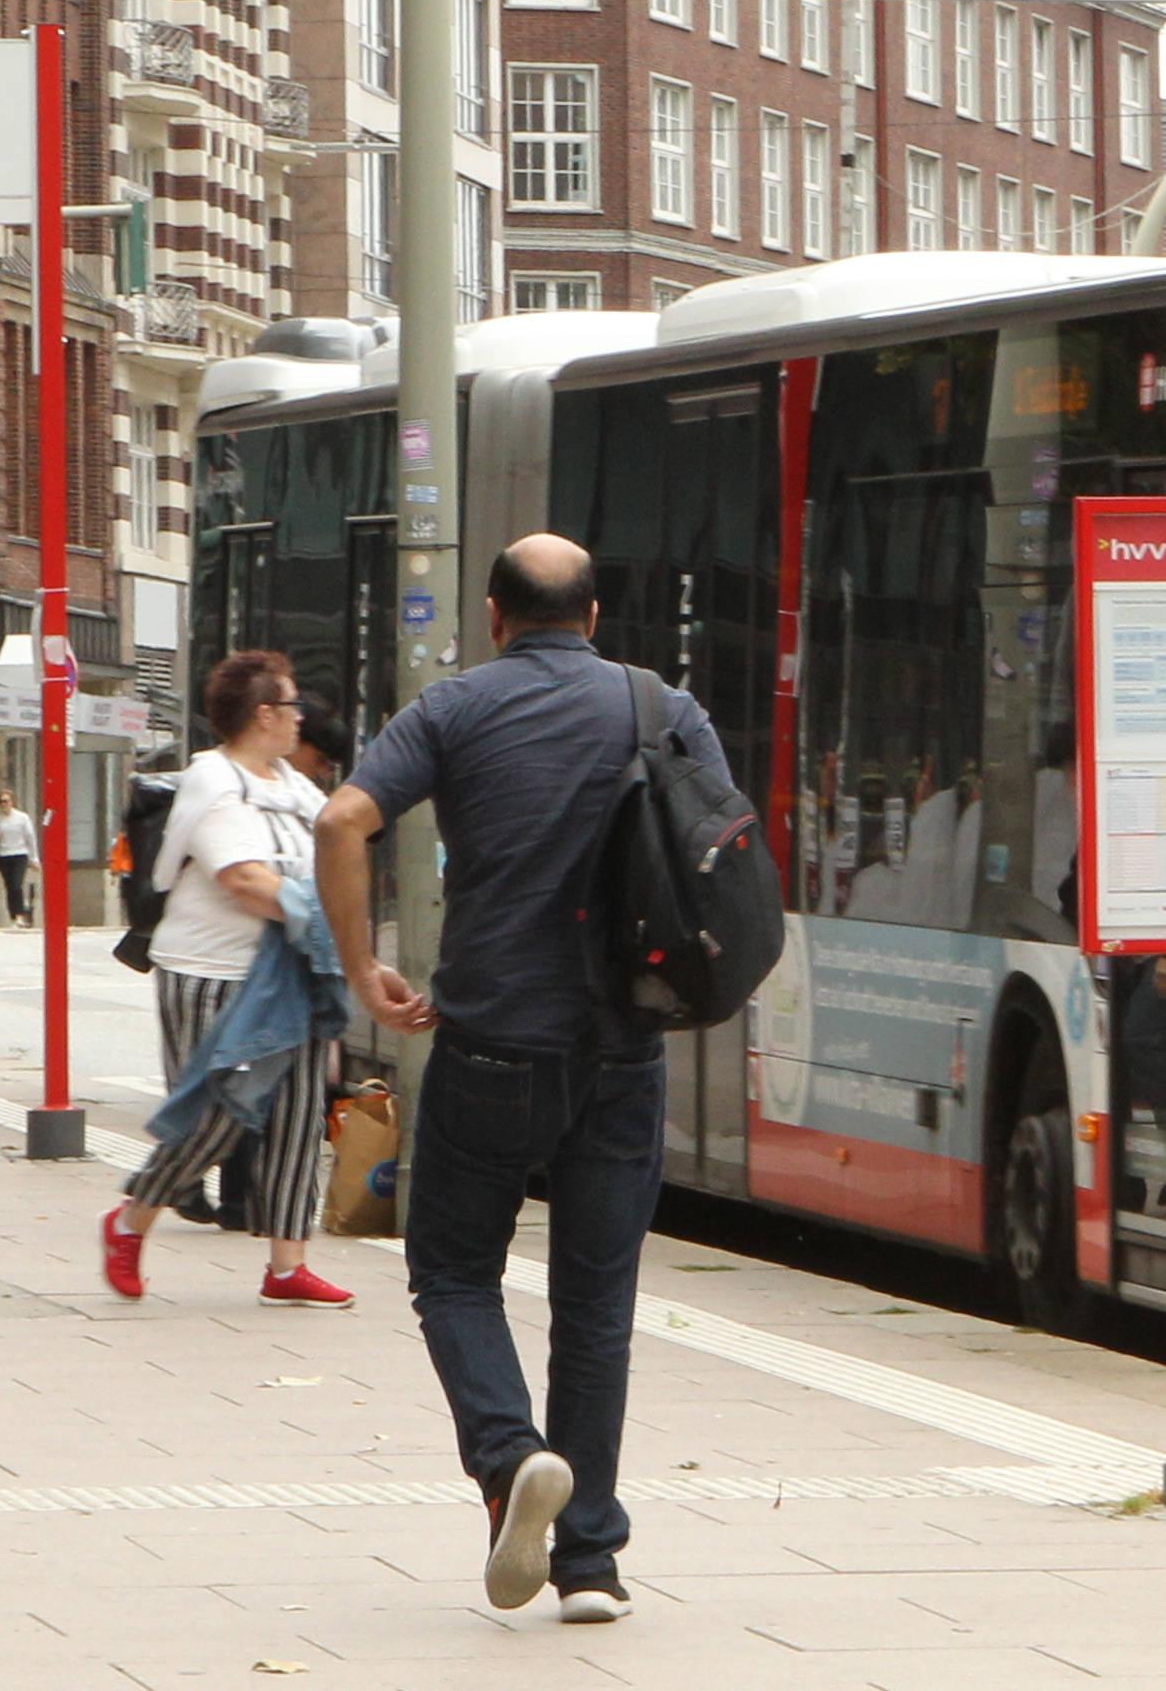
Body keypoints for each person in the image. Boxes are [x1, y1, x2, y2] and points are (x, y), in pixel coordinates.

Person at [316, 535, 734, 1625]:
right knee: (596, 1303)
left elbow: (340, 817)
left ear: (495, 614)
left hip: (491, 1038)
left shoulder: (455, 708)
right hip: (623, 1046)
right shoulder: (662, 706)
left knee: (451, 1268)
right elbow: (721, 840)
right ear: (593, 617)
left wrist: (365, 966)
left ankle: (508, 1461)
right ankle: (590, 1561)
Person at [97, 652, 350, 1305]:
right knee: (220, 1117)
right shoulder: (213, 783)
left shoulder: (295, 785)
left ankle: (287, 1263)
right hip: (212, 972)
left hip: (284, 969)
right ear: (264, 713)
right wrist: (324, 918)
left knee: (299, 1113)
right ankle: (130, 1221)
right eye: (291, 706)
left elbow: (332, 854)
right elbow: (241, 877)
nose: (300, 719)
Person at [0, 791, 38, 922]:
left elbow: (30, 838)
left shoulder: (22, 818)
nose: (4, 804)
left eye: (6, 801)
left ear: (12, 802)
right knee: (9, 886)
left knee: (16, 884)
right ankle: (13, 915)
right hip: (3, 855)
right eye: (1, 802)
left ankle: (20, 914)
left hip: (19, 854)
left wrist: (34, 858)